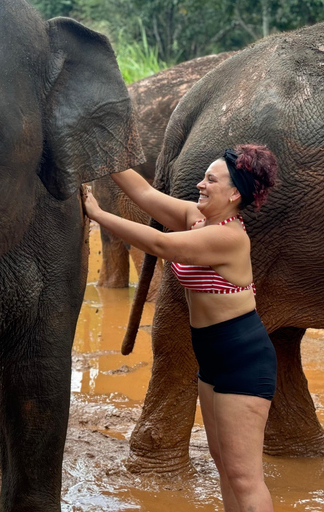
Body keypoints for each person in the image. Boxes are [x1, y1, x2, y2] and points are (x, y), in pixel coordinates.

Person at [83, 145, 279, 512]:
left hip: (244, 362)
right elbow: (144, 194)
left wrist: (98, 214)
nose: (200, 184)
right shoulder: (197, 217)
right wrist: (101, 155)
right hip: (211, 358)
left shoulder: (230, 236)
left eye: (211, 179)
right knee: (225, 468)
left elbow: (159, 243)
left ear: (234, 194)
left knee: (244, 477)